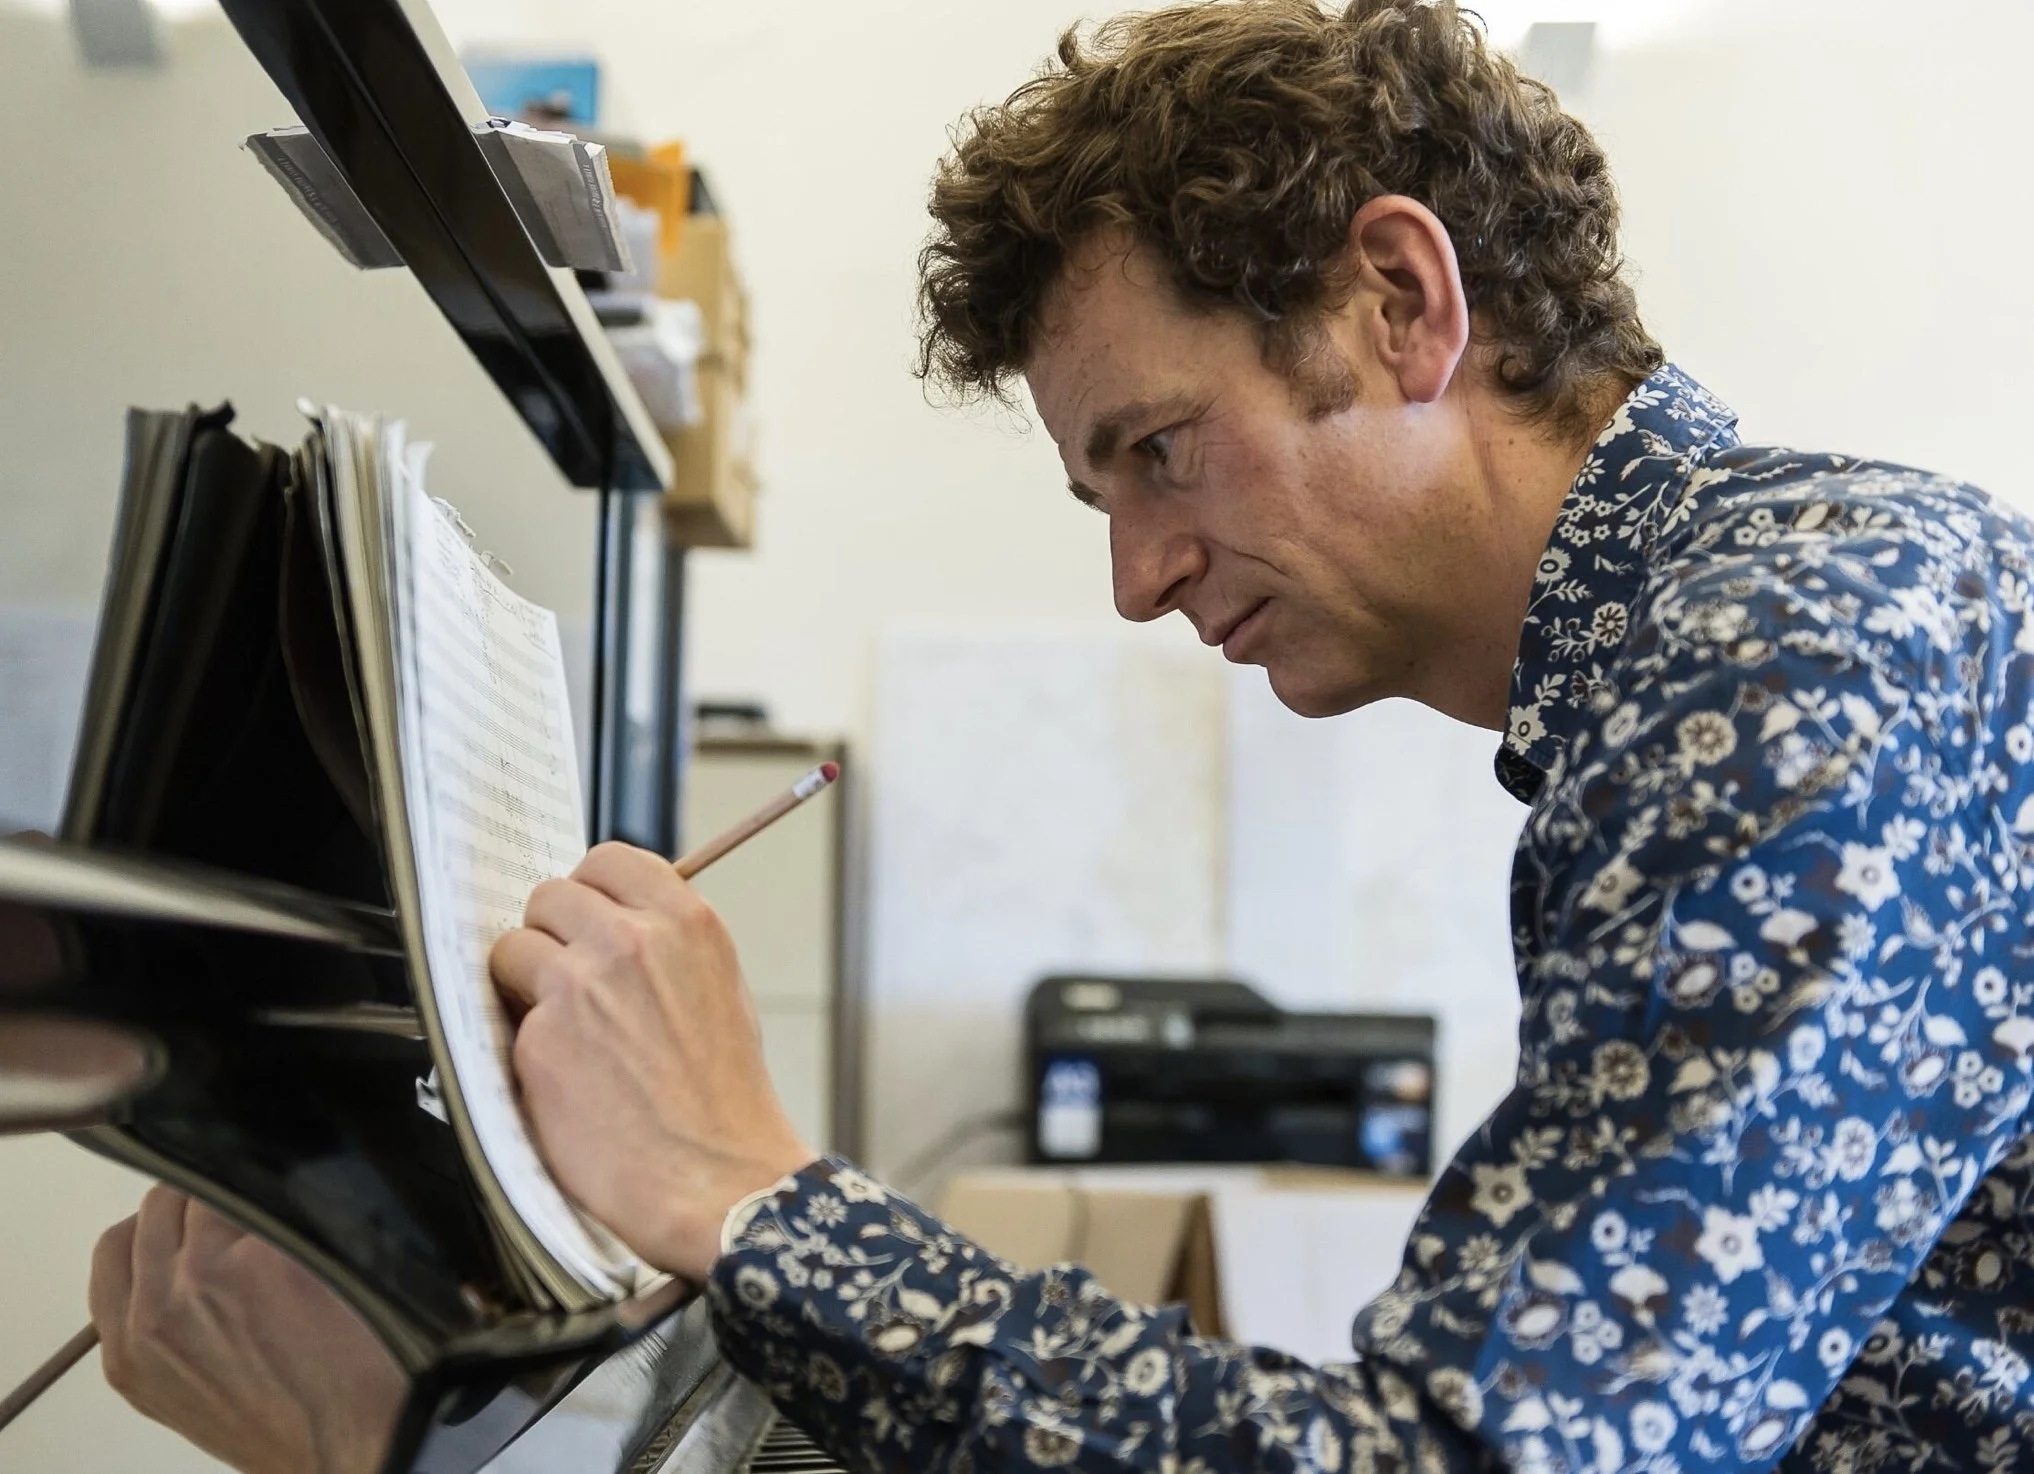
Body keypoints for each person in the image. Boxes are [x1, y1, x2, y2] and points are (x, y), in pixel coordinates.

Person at [87, 1, 2034, 1471]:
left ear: (1399, 300)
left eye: (1159, 451)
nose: (1137, 577)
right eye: (1103, 496)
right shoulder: (1730, 633)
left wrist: (749, 1191)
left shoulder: (1791, 642)